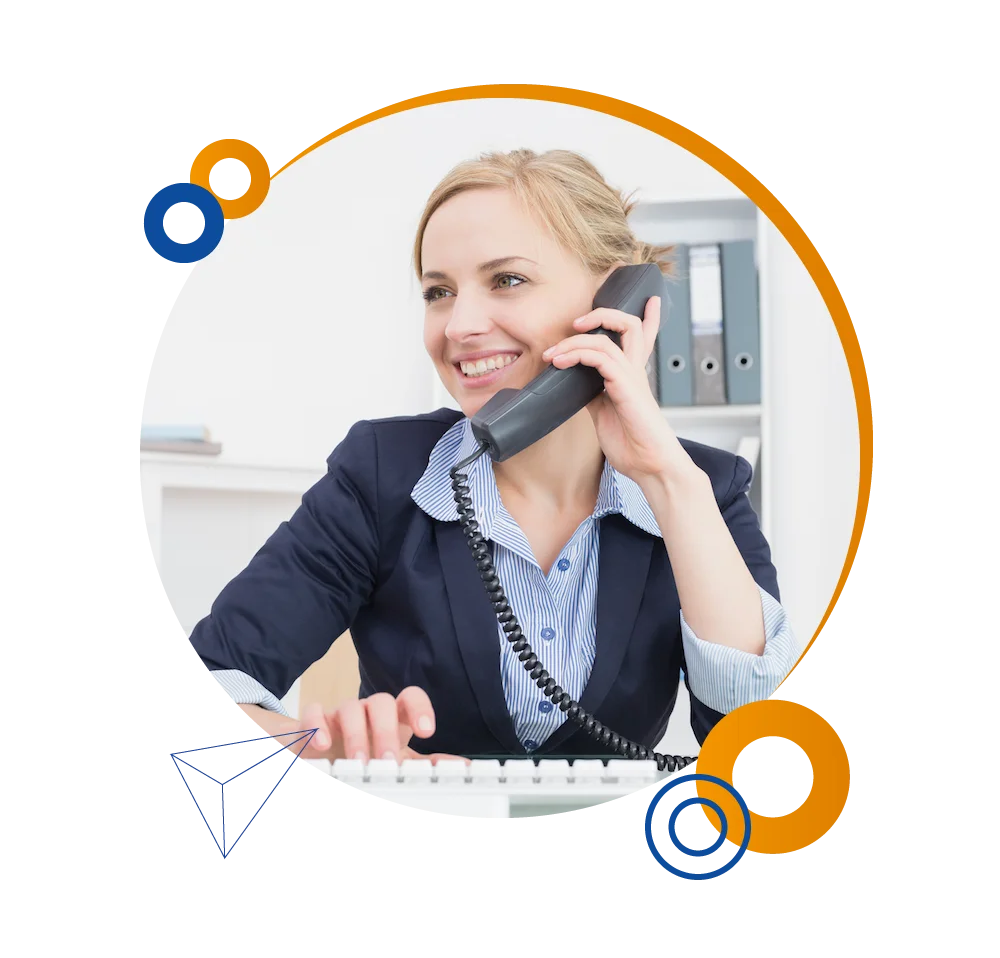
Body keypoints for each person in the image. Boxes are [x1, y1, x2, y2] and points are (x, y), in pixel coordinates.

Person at [188, 149, 799, 766]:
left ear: (619, 303)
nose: (459, 325)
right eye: (438, 292)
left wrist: (668, 482)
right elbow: (218, 679)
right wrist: (319, 753)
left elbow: (753, 740)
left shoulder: (704, 488)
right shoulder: (379, 473)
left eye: (507, 280)